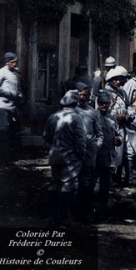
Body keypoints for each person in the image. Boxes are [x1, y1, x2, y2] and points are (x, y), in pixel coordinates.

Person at [43, 90, 86, 223]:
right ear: (75, 103)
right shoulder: (76, 118)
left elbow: (46, 136)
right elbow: (80, 140)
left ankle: (52, 215)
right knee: (67, 185)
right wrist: (81, 154)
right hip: (70, 156)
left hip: (55, 154)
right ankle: (64, 217)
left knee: (55, 183)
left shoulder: (53, 116)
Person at [74, 82, 103, 222]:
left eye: (85, 95)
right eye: (80, 95)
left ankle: (84, 213)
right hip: (73, 152)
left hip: (89, 152)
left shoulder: (93, 112)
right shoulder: (71, 111)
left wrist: (96, 146)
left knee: (87, 182)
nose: (82, 98)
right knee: (70, 182)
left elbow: (99, 133)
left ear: (89, 96)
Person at [0, 51, 22, 167]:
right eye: (13, 62)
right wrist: (12, 93)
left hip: (12, 108)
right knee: (2, 132)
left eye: (15, 62)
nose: (15, 64)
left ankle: (6, 160)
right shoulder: (0, 72)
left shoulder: (15, 74)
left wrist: (19, 94)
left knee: (10, 134)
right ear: (7, 62)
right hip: (1, 107)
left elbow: (17, 88)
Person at [93, 91, 121, 220]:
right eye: (101, 103)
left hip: (108, 157)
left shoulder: (112, 118)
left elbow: (117, 133)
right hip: (95, 156)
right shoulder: (93, 117)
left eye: (106, 103)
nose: (104, 105)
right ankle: (89, 211)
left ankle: (102, 212)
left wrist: (118, 139)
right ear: (98, 103)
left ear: (110, 104)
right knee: (91, 185)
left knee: (105, 186)